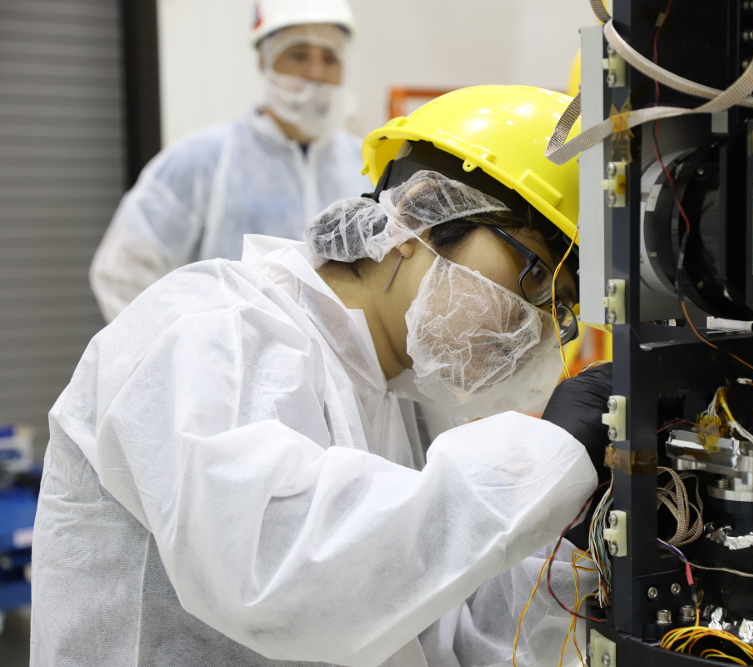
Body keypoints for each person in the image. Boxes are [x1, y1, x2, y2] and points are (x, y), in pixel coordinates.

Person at [31, 85, 614, 667]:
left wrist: (575, 537)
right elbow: (279, 580)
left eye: (561, 309)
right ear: (422, 211)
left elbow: (445, 624)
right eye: (536, 275)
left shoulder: (411, 400)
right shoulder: (208, 333)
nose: (536, 328)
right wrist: (542, 455)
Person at [89, 0, 371, 322]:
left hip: (339, 372)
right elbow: (122, 272)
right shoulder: (203, 159)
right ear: (265, 60)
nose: (316, 73)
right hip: (230, 369)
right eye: (298, 54)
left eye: (330, 58)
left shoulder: (367, 164)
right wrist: (181, 356)